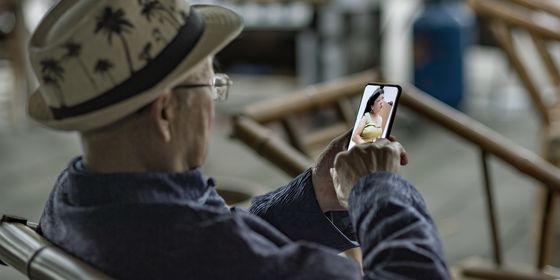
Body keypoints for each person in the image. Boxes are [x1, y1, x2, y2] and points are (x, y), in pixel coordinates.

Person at [28, 0, 450, 279]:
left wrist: (314, 196)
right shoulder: (199, 251)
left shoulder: (76, 200)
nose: (215, 101)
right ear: (165, 111)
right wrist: (376, 189)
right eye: (210, 85)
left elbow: (217, 236)